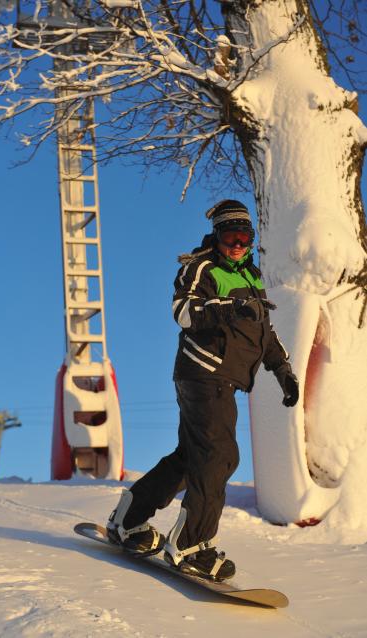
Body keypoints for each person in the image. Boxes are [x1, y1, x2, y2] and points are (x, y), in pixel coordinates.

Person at [106, 199, 299, 581]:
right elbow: (184, 312)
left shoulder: (251, 274)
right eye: (231, 235)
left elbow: (264, 330)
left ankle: (129, 519)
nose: (238, 244)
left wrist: (283, 370)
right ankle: (191, 546)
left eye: (245, 236)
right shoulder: (201, 267)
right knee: (219, 456)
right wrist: (228, 309)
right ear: (218, 235)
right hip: (203, 373)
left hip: (224, 379)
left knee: (192, 456)